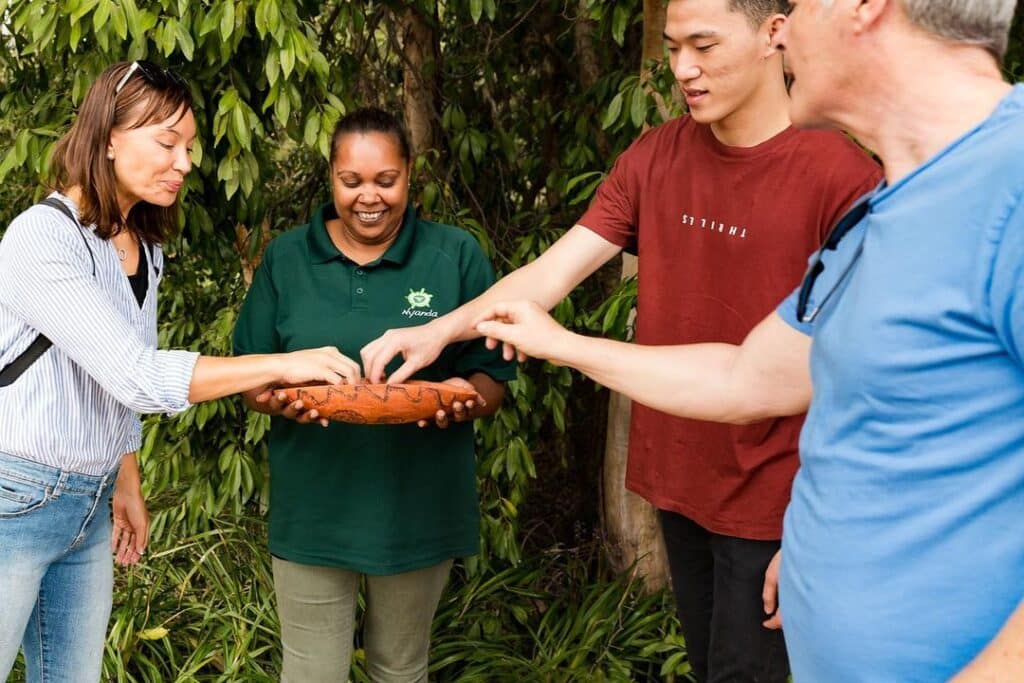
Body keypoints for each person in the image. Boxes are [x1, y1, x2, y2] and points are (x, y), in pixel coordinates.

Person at [471, 0, 1024, 680]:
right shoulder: (887, 206)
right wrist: (562, 343)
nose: (784, 27)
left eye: (800, 6)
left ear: (866, 7)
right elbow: (747, 379)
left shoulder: (1011, 180)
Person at [360, 1, 880, 680]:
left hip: (783, 499)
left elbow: (870, 374)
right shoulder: (656, 153)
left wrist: (823, 521)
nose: (684, 70)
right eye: (671, 49)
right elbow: (550, 273)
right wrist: (438, 330)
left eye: (704, 46)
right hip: (683, 475)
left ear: (773, 35)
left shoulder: (842, 173)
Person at [0, 61, 355, 683]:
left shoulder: (145, 248)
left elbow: (112, 383)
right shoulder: (41, 238)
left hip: (85, 508)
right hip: (15, 498)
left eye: (188, 147)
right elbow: (138, 375)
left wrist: (125, 478)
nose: (184, 162)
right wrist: (284, 361)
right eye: (167, 143)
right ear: (108, 136)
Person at [232, 107, 515, 683]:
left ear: (410, 174)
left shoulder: (455, 257)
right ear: (330, 176)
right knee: (312, 673)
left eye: (386, 181)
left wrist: (464, 395)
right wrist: (276, 398)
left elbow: (491, 379)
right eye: (352, 181)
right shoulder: (288, 258)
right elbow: (250, 379)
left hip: (418, 508)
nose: (370, 198)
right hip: (314, 508)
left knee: (401, 671)